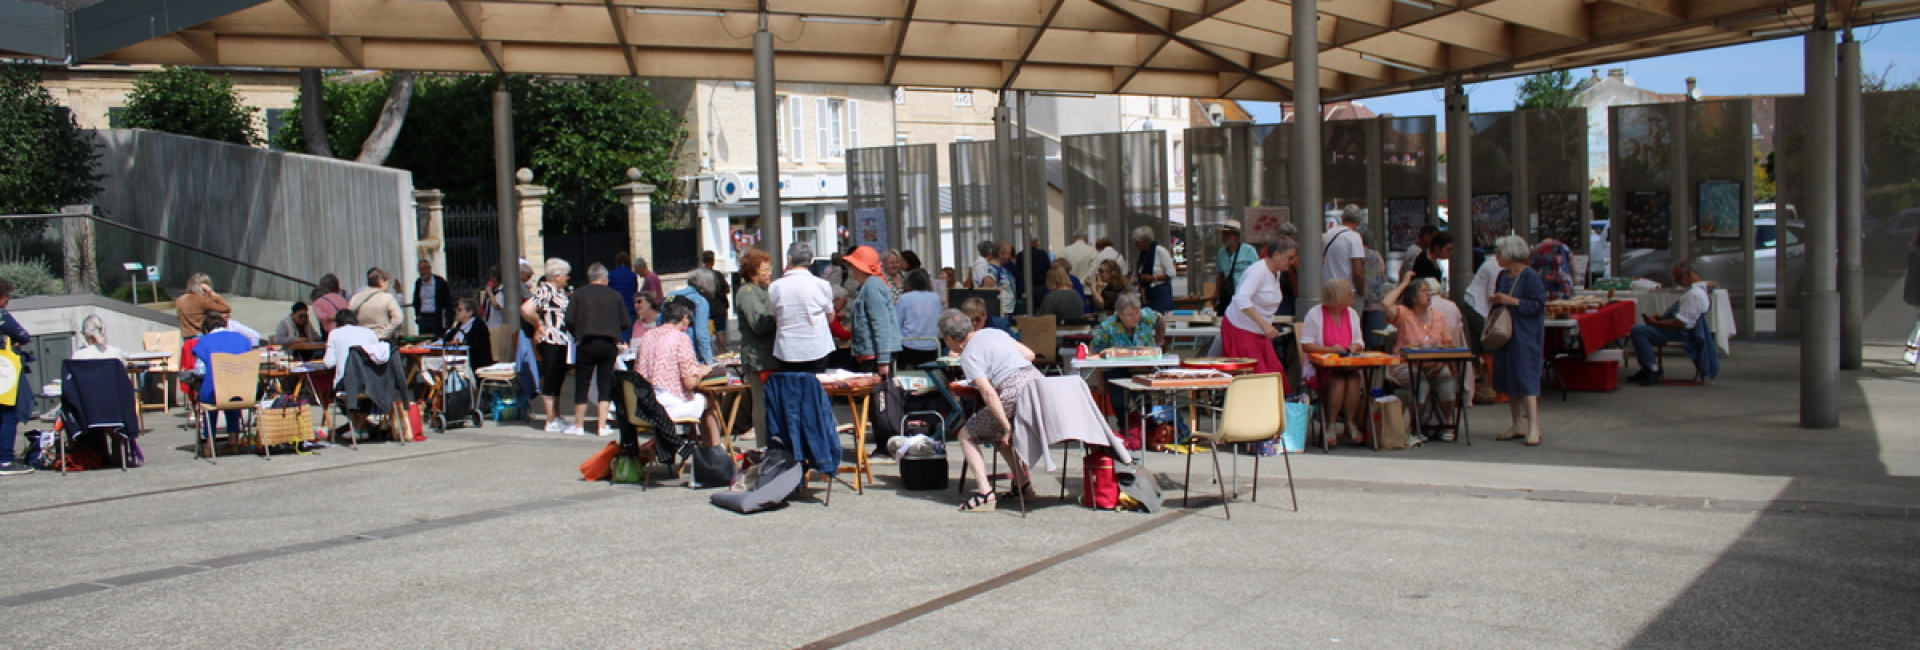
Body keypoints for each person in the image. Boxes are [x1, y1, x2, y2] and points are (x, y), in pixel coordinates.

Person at [938, 308, 1040, 513]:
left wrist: (1006, 427)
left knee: (967, 434)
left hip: (1014, 392)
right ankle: (1023, 485)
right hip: (1037, 386)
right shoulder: (994, 332)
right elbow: (1030, 354)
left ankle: (985, 493)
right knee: (992, 432)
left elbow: (988, 393)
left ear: (950, 338)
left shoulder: (968, 355)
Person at [632, 301, 724, 447]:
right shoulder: (681, 338)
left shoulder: (648, 336)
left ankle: (707, 448)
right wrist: (700, 372)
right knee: (710, 401)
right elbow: (689, 382)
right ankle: (714, 450)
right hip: (667, 404)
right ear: (684, 318)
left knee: (700, 399)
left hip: (644, 403)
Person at [1383, 272, 1460, 439]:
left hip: (1434, 364)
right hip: (1406, 364)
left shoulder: (1439, 317)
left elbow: (1448, 344)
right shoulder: (1404, 314)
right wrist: (1404, 283)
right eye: (1424, 291)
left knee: (1447, 380)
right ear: (1413, 296)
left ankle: (1447, 424)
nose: (1429, 294)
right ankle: (1414, 427)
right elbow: (1386, 303)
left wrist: (1440, 364)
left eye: (1429, 291)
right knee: (1421, 383)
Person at [1489, 235, 1547, 446]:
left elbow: (1538, 304)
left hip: (1524, 333)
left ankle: (1534, 426)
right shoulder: (1502, 276)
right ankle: (1517, 424)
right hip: (1506, 332)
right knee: (1509, 377)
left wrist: (1511, 301)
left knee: (1526, 376)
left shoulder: (1529, 276)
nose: (1497, 257)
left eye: (1500, 253)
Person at [563, 263, 632, 436]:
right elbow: (625, 322)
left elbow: (569, 320)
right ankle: (601, 426)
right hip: (609, 343)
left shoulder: (579, 294)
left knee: (582, 383)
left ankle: (578, 425)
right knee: (605, 384)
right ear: (604, 278)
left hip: (586, 342)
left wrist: (577, 333)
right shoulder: (614, 295)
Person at [1300, 280, 1366, 444]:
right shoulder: (1315, 314)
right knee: (1337, 382)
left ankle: (1350, 423)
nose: (1353, 296)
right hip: (1321, 369)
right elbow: (1306, 345)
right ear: (1338, 297)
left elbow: (1360, 342)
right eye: (1349, 293)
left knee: (1353, 381)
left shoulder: (1352, 313)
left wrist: (1353, 346)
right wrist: (1330, 349)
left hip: (1346, 365)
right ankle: (1330, 426)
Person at [1221, 236, 1297, 375]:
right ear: (1276, 255)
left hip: (1257, 332)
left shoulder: (1276, 273)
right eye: (1289, 258)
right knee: (1258, 374)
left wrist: (1264, 325)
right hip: (1241, 329)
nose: (1291, 262)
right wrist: (1264, 324)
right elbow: (1241, 299)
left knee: (1274, 371)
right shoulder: (1258, 272)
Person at [1628, 262, 1711, 386]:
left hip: (1682, 333)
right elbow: (1686, 317)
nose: (1675, 280)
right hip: (1684, 329)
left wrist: (1656, 324)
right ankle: (1648, 366)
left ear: (1688, 274)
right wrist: (1661, 319)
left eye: (1677, 277)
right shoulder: (1699, 291)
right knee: (1641, 330)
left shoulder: (1693, 295)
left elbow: (1680, 323)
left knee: (1638, 331)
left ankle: (1652, 368)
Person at [1090, 293, 1165, 415]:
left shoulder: (1147, 316)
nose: (1135, 318)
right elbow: (1094, 350)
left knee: (1143, 400)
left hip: (1142, 367)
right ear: (1120, 315)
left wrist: (1159, 342)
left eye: (1137, 313)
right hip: (1116, 368)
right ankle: (1124, 427)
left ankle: (1145, 427)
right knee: (1118, 400)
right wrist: (1100, 381)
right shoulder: (1108, 327)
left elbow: (1161, 319)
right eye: (1131, 315)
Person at [522, 258, 574, 433]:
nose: (568, 278)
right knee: (551, 379)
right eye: (566, 275)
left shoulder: (556, 291)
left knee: (557, 379)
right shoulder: (545, 290)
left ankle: (556, 416)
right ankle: (550, 419)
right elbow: (527, 309)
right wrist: (538, 325)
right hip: (551, 339)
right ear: (557, 276)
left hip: (560, 340)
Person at [322, 310, 391, 438]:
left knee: (342, 395)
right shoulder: (369, 333)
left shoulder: (335, 334)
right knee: (366, 396)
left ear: (338, 322)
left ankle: (358, 427)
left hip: (347, 382)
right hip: (372, 383)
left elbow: (329, 362)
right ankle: (362, 428)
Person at [732, 248, 777, 445]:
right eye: (764, 270)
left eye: (770, 269)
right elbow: (759, 325)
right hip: (759, 358)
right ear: (752, 274)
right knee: (762, 404)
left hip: (767, 355)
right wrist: (778, 317)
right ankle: (764, 446)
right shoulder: (748, 293)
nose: (770, 273)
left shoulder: (761, 291)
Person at [770, 241, 836, 373]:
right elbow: (831, 316)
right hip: (817, 346)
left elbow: (775, 317)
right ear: (811, 261)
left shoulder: (776, 286)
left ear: (789, 259)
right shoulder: (822, 284)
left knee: (791, 389)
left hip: (787, 349)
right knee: (815, 387)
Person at [844, 246, 902, 378]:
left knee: (878, 396)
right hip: (872, 354)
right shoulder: (870, 285)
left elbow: (881, 324)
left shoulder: (872, 287)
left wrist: (883, 360)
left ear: (859, 267)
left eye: (851, 264)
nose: (850, 268)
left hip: (874, 355)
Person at [0, 281, 33, 475]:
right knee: (9, 413)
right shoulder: (2, 316)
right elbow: (23, 335)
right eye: (6, 296)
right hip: (4, 371)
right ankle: (5, 460)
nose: (8, 300)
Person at [895, 269, 943, 369]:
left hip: (909, 346)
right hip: (933, 345)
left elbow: (897, 323)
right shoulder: (936, 298)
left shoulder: (904, 298)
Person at [1214, 220, 1259, 312]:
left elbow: (1258, 273)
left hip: (1246, 295)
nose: (1224, 238)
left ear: (1236, 236)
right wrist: (1216, 292)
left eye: (1227, 235)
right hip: (1228, 295)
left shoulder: (1249, 251)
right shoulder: (1221, 253)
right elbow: (1221, 274)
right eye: (1223, 234)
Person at [1131, 226, 1177, 314]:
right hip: (1147, 295)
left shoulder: (1160, 251)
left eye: (1137, 242)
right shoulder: (1143, 255)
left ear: (1145, 242)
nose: (1136, 244)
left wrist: (1153, 278)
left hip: (1160, 293)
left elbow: (1172, 273)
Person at [691, 251, 730, 353]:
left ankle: (707, 354)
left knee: (706, 332)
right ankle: (721, 353)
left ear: (703, 261)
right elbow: (726, 289)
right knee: (720, 331)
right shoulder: (717, 275)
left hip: (705, 307)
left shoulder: (698, 275)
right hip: (719, 307)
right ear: (713, 261)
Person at [440, 298, 495, 370]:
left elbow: (475, 347)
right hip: (455, 359)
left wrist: (458, 346)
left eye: (459, 310)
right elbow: (446, 339)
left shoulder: (479, 326)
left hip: (474, 363)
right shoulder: (458, 325)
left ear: (469, 312)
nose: (456, 312)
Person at [666, 282, 714, 365]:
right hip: (690, 355)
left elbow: (659, 319)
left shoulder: (670, 296)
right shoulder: (700, 300)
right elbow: (701, 334)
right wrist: (708, 361)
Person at [350, 269, 405, 340]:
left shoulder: (356, 298)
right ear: (381, 282)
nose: (388, 286)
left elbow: (350, 315)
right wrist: (385, 333)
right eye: (388, 283)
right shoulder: (387, 297)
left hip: (361, 338)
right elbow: (398, 318)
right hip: (380, 337)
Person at [1360, 232, 1391, 350]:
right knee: (1372, 333)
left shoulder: (1355, 253)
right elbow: (1381, 272)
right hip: (1374, 298)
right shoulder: (1376, 255)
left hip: (1358, 296)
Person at [175, 272, 231, 338]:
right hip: (200, 335)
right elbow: (226, 308)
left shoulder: (180, 299)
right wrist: (213, 294)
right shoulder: (203, 300)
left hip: (186, 335)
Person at [1323, 206, 1367, 285]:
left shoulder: (1327, 234)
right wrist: (1361, 291)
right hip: (1344, 288)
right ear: (1359, 221)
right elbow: (1357, 271)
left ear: (1342, 218)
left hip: (1327, 288)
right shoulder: (1354, 237)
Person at [413, 258, 452, 338]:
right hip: (423, 318)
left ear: (429, 269)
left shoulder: (440, 282)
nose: (422, 272)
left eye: (424, 269)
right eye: (420, 270)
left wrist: (449, 319)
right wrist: (417, 315)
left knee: (437, 339)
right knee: (423, 340)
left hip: (436, 317)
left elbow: (448, 301)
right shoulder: (418, 283)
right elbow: (416, 300)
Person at [608, 252, 640, 319]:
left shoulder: (611, 275)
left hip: (616, 309)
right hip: (630, 309)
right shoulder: (632, 275)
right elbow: (635, 291)